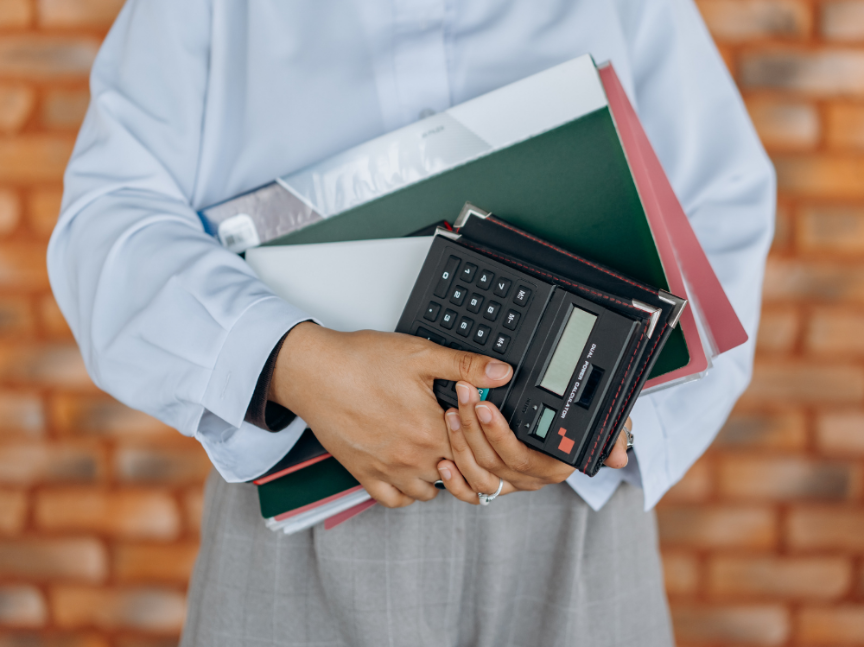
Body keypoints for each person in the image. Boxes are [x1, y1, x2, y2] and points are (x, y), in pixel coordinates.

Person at [47, 1, 775, 645]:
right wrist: (288, 360)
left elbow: (724, 200)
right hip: (303, 511)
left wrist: (617, 424)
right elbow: (106, 224)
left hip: (572, 521)